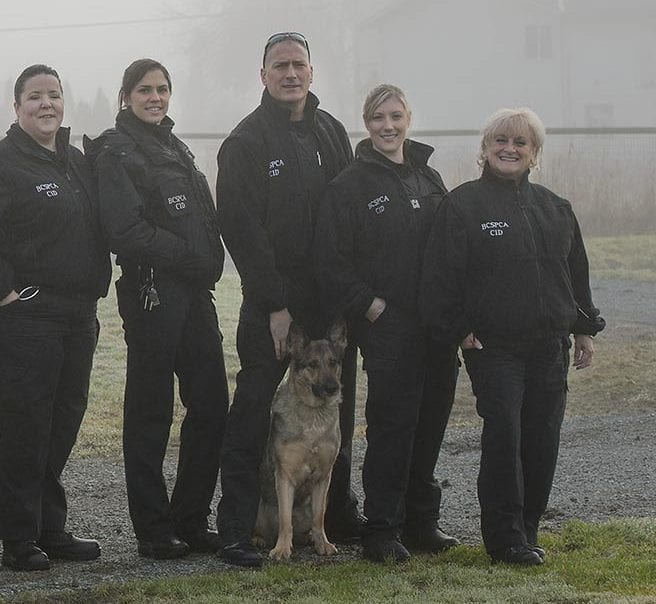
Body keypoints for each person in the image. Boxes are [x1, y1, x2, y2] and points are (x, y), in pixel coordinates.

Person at [421, 107, 604, 566]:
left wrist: (583, 329)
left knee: (542, 437)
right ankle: (505, 540)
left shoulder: (555, 208)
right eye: (501, 140)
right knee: (504, 434)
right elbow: (441, 276)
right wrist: (457, 329)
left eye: (521, 143)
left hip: (549, 346)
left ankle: (528, 530)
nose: (510, 149)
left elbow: (574, 274)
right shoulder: (463, 205)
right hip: (494, 347)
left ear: (534, 154)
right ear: (484, 149)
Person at [213, 32, 361, 568]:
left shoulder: (331, 132)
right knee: (253, 409)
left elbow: (347, 215)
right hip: (274, 304)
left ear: (311, 72)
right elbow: (241, 229)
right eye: (280, 66)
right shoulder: (246, 143)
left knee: (337, 403)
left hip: (330, 302)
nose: (291, 74)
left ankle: (335, 515)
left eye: (299, 64)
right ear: (263, 75)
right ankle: (234, 527)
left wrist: (347, 293)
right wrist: (275, 304)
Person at [0, 64, 111, 571]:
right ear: (17, 106)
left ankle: (51, 527)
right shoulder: (0, 165)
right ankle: (19, 538)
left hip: (76, 315)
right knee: (27, 427)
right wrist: (2, 293)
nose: (46, 104)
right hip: (25, 317)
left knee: (63, 423)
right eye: (35, 97)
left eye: (54, 95)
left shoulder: (76, 161)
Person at [86, 58, 227, 560]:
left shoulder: (174, 146)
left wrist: (207, 262)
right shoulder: (115, 152)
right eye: (144, 90)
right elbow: (123, 231)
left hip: (195, 295)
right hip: (152, 294)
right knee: (151, 413)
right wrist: (190, 258)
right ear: (125, 96)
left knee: (211, 405)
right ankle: (153, 528)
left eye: (162, 89)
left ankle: (191, 518)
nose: (155, 97)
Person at [316, 84, 460, 563]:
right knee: (393, 426)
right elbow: (330, 262)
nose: (388, 126)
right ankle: (382, 530)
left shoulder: (429, 176)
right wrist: (370, 306)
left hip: (437, 325)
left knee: (431, 420)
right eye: (378, 117)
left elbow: (453, 251)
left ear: (408, 119)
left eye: (396, 116)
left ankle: (422, 522)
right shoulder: (349, 185)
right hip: (388, 324)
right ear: (367, 123)